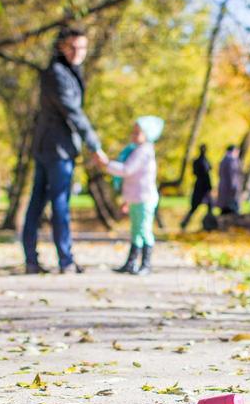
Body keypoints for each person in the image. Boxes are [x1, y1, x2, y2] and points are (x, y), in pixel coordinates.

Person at [22, 26, 106, 274]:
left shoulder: (66, 72)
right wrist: (94, 143)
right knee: (57, 203)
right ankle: (64, 260)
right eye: (73, 47)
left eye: (82, 47)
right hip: (56, 149)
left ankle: (33, 260)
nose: (78, 52)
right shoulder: (57, 74)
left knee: (39, 202)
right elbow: (72, 111)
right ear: (61, 46)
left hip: (51, 147)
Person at [97, 115, 164, 275]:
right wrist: (126, 200)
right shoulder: (136, 150)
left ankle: (146, 264)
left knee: (144, 230)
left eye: (137, 133)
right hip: (135, 198)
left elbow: (127, 170)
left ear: (146, 135)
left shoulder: (145, 152)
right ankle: (131, 262)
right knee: (135, 231)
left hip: (144, 198)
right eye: (133, 133)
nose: (133, 136)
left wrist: (106, 164)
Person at [180, 143, 213, 230]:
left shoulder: (201, 161)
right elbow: (206, 174)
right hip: (202, 186)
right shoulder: (202, 161)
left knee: (208, 206)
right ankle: (185, 223)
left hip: (201, 185)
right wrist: (209, 187)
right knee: (198, 206)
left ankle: (209, 224)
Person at [217, 144, 241, 215]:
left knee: (225, 209)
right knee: (232, 208)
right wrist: (234, 187)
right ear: (234, 151)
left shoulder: (223, 160)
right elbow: (232, 175)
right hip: (230, 188)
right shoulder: (232, 160)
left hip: (223, 186)